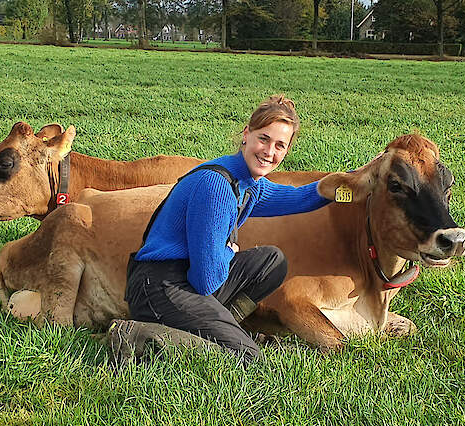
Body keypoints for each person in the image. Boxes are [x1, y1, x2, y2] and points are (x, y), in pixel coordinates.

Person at [110, 95, 330, 367]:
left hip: (186, 278)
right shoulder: (217, 187)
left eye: (280, 145)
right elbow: (207, 280)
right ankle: (140, 335)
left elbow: (300, 198)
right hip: (160, 287)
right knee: (247, 358)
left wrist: (358, 177)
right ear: (246, 135)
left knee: (272, 262)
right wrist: (227, 252)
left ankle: (221, 327)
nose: (269, 152)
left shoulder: (247, 182)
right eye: (264, 139)